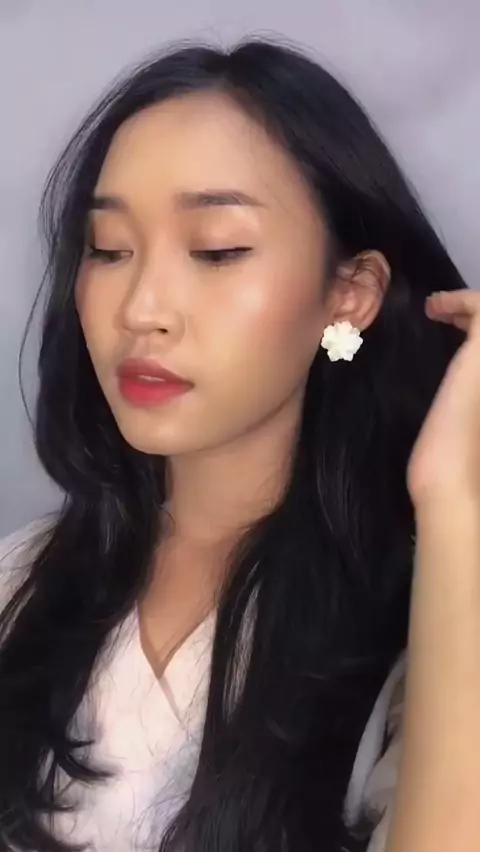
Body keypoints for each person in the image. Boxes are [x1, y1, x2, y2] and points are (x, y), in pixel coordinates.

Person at [0, 37, 479, 852]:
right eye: (108, 250)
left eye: (217, 250)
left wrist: (453, 497)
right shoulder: (22, 582)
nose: (141, 309)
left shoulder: (429, 615)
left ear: (350, 292)